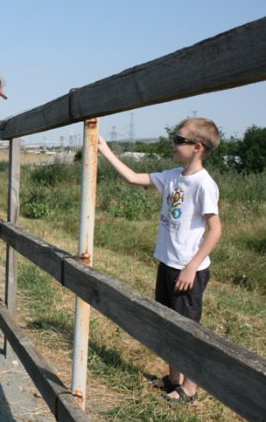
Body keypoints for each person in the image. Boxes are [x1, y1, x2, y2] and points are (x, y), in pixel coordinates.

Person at [97, 117, 222, 405]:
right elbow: (132, 177)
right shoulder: (173, 176)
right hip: (168, 264)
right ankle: (174, 379)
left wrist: (192, 266)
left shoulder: (203, 185)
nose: (173, 144)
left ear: (197, 147)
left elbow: (216, 230)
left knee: (187, 331)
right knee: (168, 325)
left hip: (187, 270)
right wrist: (103, 148)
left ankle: (190, 389)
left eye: (180, 140)